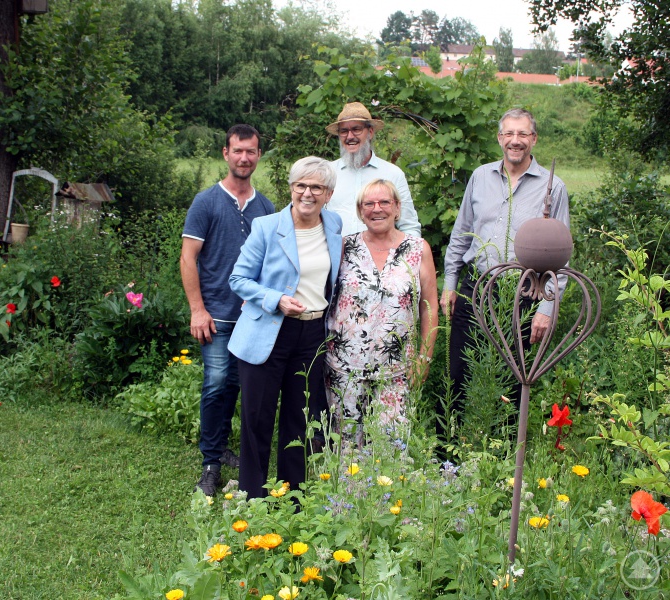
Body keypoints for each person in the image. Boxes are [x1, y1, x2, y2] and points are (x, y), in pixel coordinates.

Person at [439, 108, 570, 436]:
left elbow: (562, 257)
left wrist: (546, 307)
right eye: (509, 134)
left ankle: (504, 453)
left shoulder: (554, 187)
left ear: (533, 139)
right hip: (476, 286)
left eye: (523, 134)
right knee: (460, 369)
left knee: (513, 377)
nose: (515, 141)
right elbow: (460, 235)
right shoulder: (480, 177)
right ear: (499, 139)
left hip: (525, 291)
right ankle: (452, 450)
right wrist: (450, 285)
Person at [228, 156, 343, 500]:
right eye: (300, 185)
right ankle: (253, 498)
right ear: (291, 188)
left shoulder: (333, 224)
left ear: (328, 193)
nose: (307, 193)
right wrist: (276, 298)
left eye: (316, 187)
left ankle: (292, 499)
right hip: (269, 331)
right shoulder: (266, 227)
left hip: (311, 335)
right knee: (257, 420)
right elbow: (238, 278)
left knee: (300, 419)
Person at [180, 124, 275, 497]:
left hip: (252, 316)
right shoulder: (207, 202)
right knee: (216, 385)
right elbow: (189, 258)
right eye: (237, 151)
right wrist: (197, 309)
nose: (244, 158)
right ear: (225, 153)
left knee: (238, 386)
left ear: (258, 156)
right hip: (216, 314)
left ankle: (221, 448)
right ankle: (210, 463)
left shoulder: (265, 207)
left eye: (251, 151)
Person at [325, 179, 438, 439]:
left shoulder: (418, 249)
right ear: (360, 211)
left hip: (397, 371)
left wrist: (424, 360)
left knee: (392, 449)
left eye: (384, 202)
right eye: (369, 204)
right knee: (347, 450)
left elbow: (429, 312)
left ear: (397, 208)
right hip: (345, 370)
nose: (377, 209)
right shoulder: (343, 247)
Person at [325, 102, 420, 237]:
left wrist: (406, 255)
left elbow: (409, 226)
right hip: (335, 256)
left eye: (356, 129)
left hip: (381, 256)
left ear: (370, 132)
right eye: (344, 131)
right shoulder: (326, 173)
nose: (350, 136)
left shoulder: (393, 174)